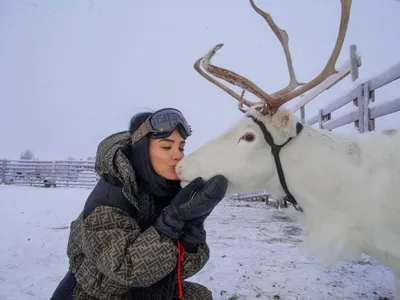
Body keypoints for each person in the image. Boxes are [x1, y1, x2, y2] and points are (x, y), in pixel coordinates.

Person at [51, 108, 228, 300]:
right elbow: (127, 269)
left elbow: (173, 271)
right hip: (91, 294)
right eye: (167, 147)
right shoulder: (109, 199)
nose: (178, 155)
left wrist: (192, 232)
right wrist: (170, 225)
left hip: (141, 291)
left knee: (199, 296)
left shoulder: (164, 189)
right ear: (141, 149)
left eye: (181, 147)